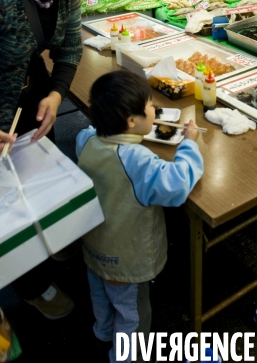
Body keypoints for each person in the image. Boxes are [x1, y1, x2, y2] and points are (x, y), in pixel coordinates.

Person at [0, 0, 111, 319]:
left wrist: (55, 93)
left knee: (37, 185)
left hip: (32, 103)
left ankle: (49, 241)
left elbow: (70, 46)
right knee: (2, 207)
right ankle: (29, 284)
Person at [76, 71, 203, 363]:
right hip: (126, 257)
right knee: (132, 313)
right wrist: (189, 144)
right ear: (132, 121)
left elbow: (89, 132)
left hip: (93, 247)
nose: (154, 111)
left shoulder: (86, 140)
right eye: (149, 107)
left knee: (100, 296)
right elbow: (177, 184)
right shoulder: (137, 160)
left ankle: (102, 333)